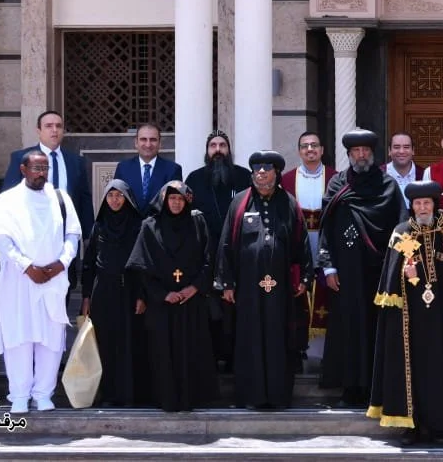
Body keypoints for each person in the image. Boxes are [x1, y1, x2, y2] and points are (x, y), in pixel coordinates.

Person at [0, 150, 82, 414]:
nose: (41, 173)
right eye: (36, 168)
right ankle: (20, 394)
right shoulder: (7, 200)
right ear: (23, 170)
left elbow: (73, 234)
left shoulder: (60, 198)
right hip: (18, 281)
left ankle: (43, 393)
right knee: (19, 337)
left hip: (53, 279)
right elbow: (0, 238)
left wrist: (62, 263)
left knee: (50, 338)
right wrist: (26, 266)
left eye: (45, 168)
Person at [367, 180, 443, 445]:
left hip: (441, 317)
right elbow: (389, 281)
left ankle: (439, 426)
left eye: (427, 203)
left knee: (439, 368)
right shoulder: (402, 233)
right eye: (418, 204)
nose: (422, 208)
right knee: (412, 371)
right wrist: (403, 274)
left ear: (434, 204)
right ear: (412, 206)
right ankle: (413, 427)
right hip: (409, 319)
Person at [217, 150, 313, 410]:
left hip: (282, 290)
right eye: (257, 169)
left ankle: (279, 396)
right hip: (247, 289)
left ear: (277, 173)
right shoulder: (239, 203)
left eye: (266, 168)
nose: (261, 173)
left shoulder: (290, 203)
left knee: (279, 339)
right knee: (249, 339)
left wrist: (305, 276)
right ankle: (251, 396)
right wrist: (226, 283)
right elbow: (226, 243)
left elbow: (301, 242)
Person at [319, 130, 405, 407]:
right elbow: (326, 227)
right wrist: (328, 267)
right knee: (347, 328)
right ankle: (349, 388)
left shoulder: (388, 186)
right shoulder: (337, 184)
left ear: (373, 153)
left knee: (374, 327)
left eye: (366, 150)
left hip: (377, 271)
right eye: (356, 151)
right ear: (349, 154)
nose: (361, 155)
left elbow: (401, 227)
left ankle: (373, 388)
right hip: (344, 273)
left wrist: (396, 266)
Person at [126, 182, 219, 412]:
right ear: (164, 201)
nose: (176, 203)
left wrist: (194, 288)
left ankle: (191, 398)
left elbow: (210, 260)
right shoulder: (149, 226)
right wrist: (162, 294)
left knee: (190, 351)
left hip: (191, 302)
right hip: (162, 304)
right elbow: (141, 267)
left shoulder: (198, 223)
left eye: (180, 199)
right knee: (162, 352)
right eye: (172, 198)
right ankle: (164, 398)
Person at [184, 130, 252, 371]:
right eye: (213, 145)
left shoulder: (244, 177)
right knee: (210, 312)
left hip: (240, 254)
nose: (218, 150)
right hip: (206, 256)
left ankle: (236, 360)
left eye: (222, 145)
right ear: (207, 151)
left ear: (229, 150)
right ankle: (211, 360)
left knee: (237, 311)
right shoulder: (194, 179)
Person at [80, 180, 147, 407]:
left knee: (129, 343)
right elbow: (88, 264)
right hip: (103, 293)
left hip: (129, 292)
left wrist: (141, 295)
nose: (115, 200)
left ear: (127, 198)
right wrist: (86, 297)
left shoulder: (138, 226)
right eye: (111, 196)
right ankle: (108, 394)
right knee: (106, 344)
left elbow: (143, 265)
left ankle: (129, 394)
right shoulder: (98, 226)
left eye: (119, 195)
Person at [1, 111, 93, 257]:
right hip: (31, 232)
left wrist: (89, 235)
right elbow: (8, 196)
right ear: (39, 131)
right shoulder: (21, 158)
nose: (54, 130)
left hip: (65, 234)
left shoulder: (76, 161)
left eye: (59, 126)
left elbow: (84, 199)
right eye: (49, 126)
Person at [281, 131, 337, 352]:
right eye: (305, 146)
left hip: (325, 245)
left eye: (314, 145)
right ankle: (300, 348)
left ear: (322, 150)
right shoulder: (286, 179)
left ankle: (325, 352)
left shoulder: (335, 177)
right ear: (299, 151)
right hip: (299, 246)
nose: (310, 149)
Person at [113, 123, 183, 210]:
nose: (148, 144)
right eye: (143, 139)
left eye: (153, 140)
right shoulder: (123, 168)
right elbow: (116, 201)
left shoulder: (173, 170)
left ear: (160, 143)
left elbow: (175, 205)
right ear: (136, 142)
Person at [384, 132, 423, 206]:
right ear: (389, 151)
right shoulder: (378, 175)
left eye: (406, 147)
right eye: (396, 147)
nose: (401, 151)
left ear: (413, 150)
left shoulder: (425, 175)